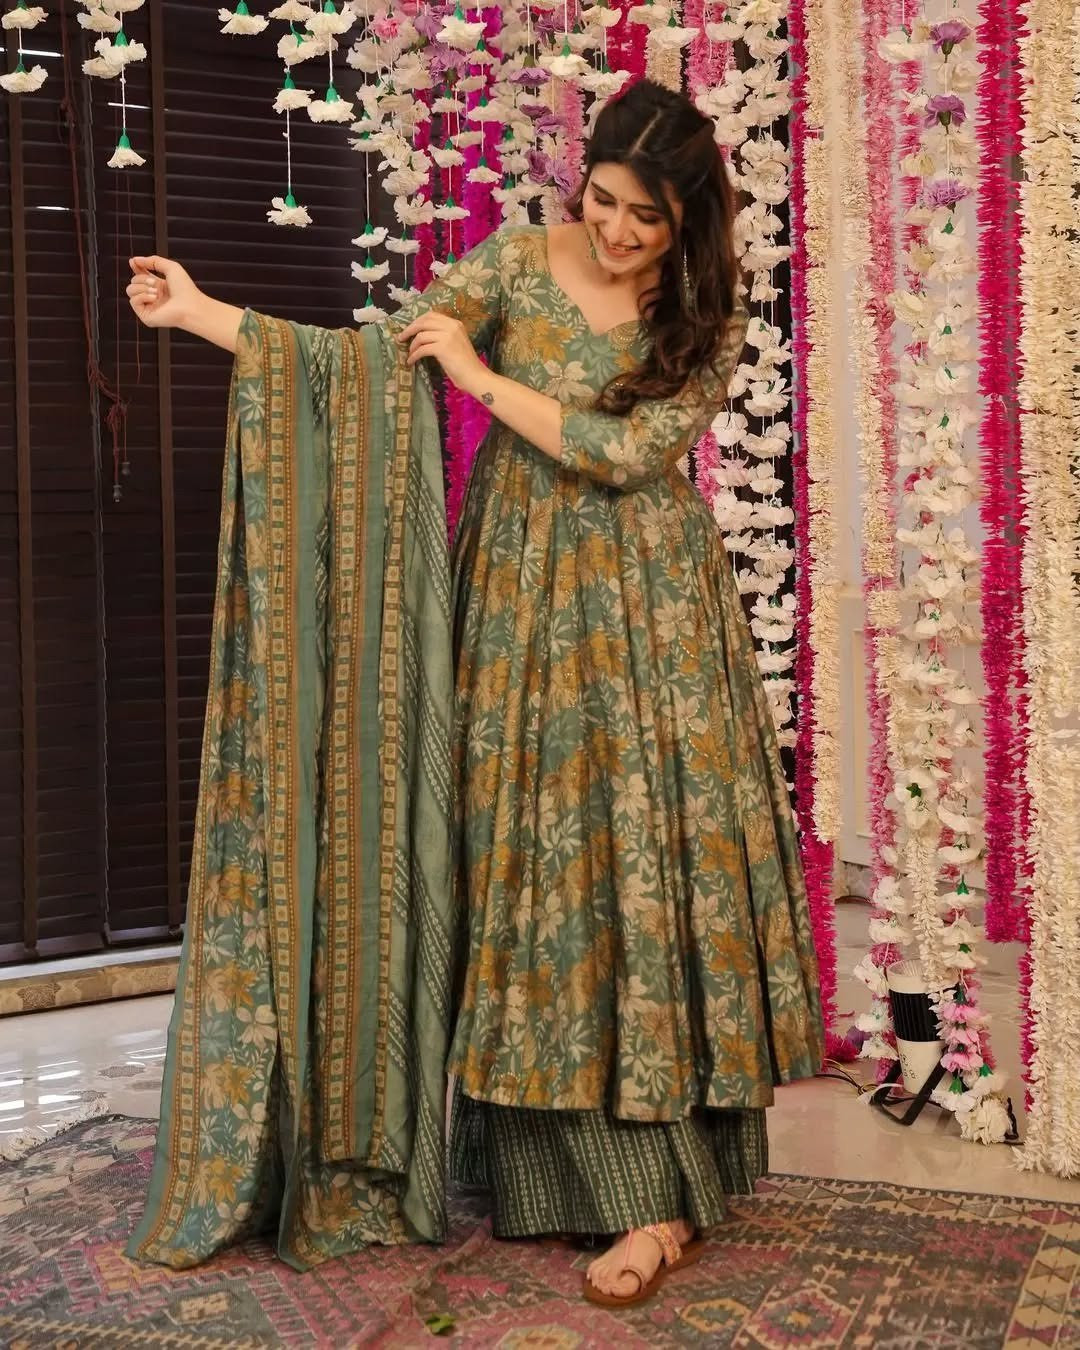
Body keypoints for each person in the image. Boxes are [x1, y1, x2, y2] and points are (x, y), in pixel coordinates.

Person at [126, 78, 823, 1301]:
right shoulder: (514, 259)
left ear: (689, 219)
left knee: (637, 875)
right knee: (525, 868)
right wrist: (201, 314)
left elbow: (629, 452)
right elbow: (365, 366)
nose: (616, 231)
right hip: (510, 598)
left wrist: (481, 379)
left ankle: (658, 1202)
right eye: (603, 201)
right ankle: (551, 1177)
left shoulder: (709, 309)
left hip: (651, 618)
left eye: (647, 218)